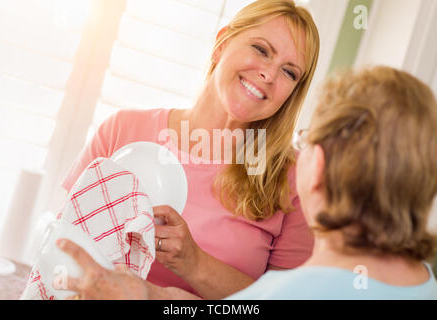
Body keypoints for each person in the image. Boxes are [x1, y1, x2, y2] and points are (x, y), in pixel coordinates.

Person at [56, 65, 437, 300]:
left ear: (315, 166)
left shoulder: (292, 291)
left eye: (304, 141)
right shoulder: (423, 283)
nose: (269, 74)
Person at [59, 0, 320, 299]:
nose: (269, 75)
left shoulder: (296, 180)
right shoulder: (121, 132)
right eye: (261, 50)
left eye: (289, 72)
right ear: (222, 43)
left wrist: (194, 263)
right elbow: (61, 252)